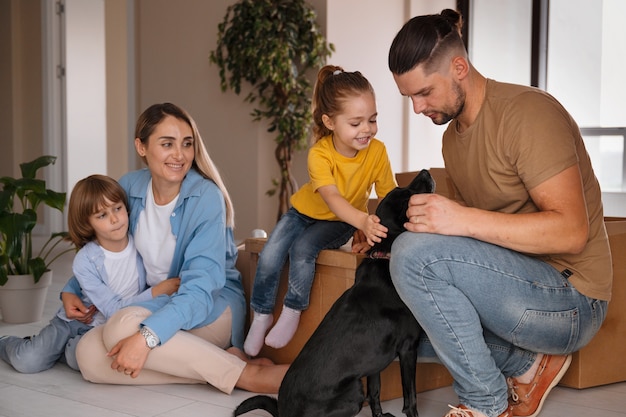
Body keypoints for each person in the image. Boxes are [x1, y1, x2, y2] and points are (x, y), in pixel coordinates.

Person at [387, 9, 612, 417]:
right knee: (388, 321)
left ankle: (484, 404)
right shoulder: (453, 142)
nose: (417, 108)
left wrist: (457, 220)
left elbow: (572, 231)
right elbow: (469, 243)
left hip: (573, 301)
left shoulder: (527, 114)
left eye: (424, 93)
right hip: (515, 286)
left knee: (413, 257)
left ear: (459, 67)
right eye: (410, 98)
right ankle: (529, 364)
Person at [61, 103, 288, 394]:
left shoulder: (205, 197)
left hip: (209, 307)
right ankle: (230, 368)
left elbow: (200, 290)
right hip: (156, 303)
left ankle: (249, 376)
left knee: (119, 328)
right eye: (167, 144)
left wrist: (146, 338)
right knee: (89, 357)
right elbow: (104, 245)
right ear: (141, 147)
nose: (179, 155)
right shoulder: (129, 187)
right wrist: (70, 288)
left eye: (187, 144)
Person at [243, 65, 398, 357]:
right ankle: (261, 315)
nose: (366, 129)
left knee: (303, 249)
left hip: (341, 220)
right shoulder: (319, 154)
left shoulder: (377, 152)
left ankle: (292, 310)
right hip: (306, 212)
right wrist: (363, 221)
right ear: (330, 122)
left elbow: (388, 195)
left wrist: (375, 228)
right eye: (356, 123)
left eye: (372, 120)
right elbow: (332, 198)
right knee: (271, 253)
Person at [0, 175, 179, 374]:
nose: (114, 219)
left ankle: (59, 350)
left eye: (117, 208)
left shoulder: (139, 242)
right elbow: (114, 309)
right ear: (88, 223)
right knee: (29, 361)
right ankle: (7, 342)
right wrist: (156, 292)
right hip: (73, 322)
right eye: (101, 215)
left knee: (78, 359)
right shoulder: (86, 260)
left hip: (103, 328)